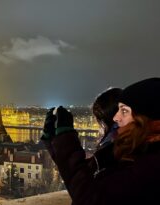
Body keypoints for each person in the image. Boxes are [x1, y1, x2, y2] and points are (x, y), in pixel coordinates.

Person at [41, 77, 160, 205]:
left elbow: (90, 196)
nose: (116, 117)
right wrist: (54, 141)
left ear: (147, 120)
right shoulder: (133, 151)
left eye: (124, 111)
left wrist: (65, 137)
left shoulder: (150, 164)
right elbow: (82, 173)